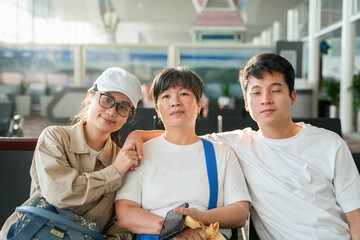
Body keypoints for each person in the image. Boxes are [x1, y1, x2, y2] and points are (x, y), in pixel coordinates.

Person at [124, 54, 360, 240]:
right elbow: (181, 133)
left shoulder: (330, 144)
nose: (266, 99)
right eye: (256, 92)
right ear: (247, 103)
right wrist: (137, 134)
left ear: (293, 97)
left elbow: (356, 215)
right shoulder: (238, 143)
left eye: (276, 90)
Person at [0, 67, 142, 240]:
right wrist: (114, 172)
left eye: (123, 107)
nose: (112, 111)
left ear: (128, 116)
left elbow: (121, 224)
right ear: (90, 97)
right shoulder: (55, 137)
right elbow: (59, 194)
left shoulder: (123, 160)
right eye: (106, 99)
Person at [114, 66, 250, 240]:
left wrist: (200, 219)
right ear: (157, 110)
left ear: (199, 104)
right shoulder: (140, 153)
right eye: (166, 96)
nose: (175, 101)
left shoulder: (221, 153)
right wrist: (175, 232)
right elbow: (125, 212)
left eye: (184, 94)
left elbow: (240, 212)